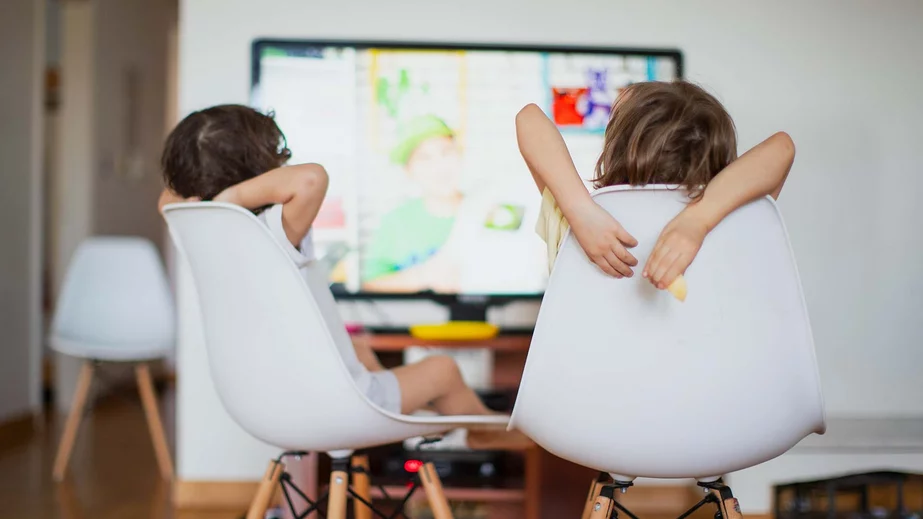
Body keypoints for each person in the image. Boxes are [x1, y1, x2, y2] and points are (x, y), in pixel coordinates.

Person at [157, 105, 522, 448]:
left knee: (358, 348)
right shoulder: (272, 227)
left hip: (261, 403)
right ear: (264, 170)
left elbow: (166, 198)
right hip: (335, 405)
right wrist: (233, 197)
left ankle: (410, 408)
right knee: (442, 369)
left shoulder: (196, 232)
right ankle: (482, 430)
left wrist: (210, 197)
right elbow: (312, 177)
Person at [516, 80, 795, 290]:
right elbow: (782, 148)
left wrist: (580, 210)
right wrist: (700, 219)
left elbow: (528, 118)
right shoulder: (731, 228)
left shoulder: (574, 231)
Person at [362, 115, 464, 293]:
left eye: (446, 152)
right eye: (424, 158)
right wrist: (424, 277)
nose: (439, 167)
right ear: (408, 170)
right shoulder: (395, 222)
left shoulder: (487, 213)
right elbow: (371, 284)